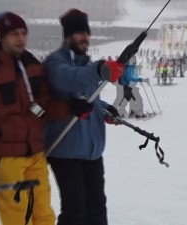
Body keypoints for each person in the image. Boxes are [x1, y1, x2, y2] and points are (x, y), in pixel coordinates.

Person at [0, 11, 72, 225]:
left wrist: (71, 108)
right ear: (2, 37)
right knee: (17, 219)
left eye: (23, 33)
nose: (21, 38)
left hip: (36, 154)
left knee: (44, 214)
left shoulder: (33, 67)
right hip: (4, 158)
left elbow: (45, 107)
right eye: (14, 34)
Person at [43, 8, 125, 225]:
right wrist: (99, 70)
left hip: (92, 151)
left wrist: (106, 110)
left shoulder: (86, 65)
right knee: (75, 211)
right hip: (66, 150)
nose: (85, 38)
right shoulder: (55, 62)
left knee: (97, 207)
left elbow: (90, 100)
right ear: (67, 36)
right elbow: (68, 81)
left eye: (87, 33)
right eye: (80, 33)